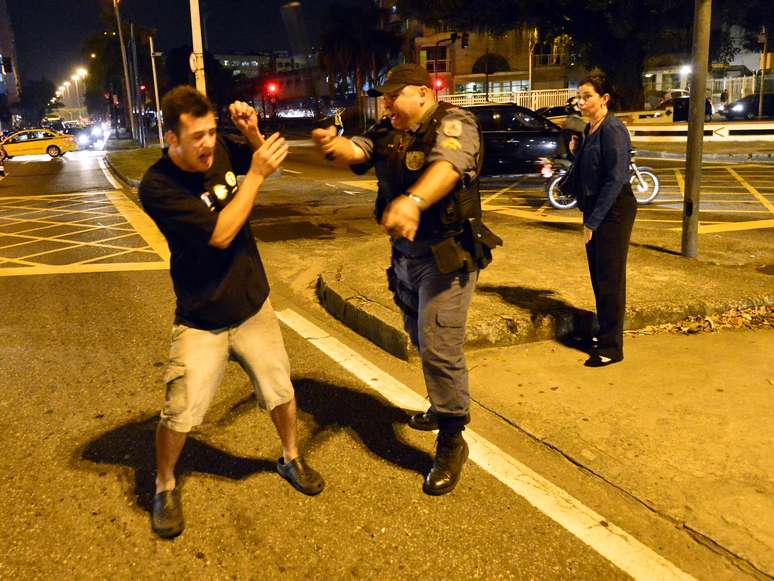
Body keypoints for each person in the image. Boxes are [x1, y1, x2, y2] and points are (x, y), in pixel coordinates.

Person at [139, 86, 324, 539]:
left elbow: (263, 161)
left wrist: (254, 134)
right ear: (171, 139)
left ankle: (289, 456)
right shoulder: (158, 187)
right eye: (195, 137)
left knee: (279, 389)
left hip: (252, 302)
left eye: (209, 132)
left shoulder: (219, 149)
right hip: (201, 315)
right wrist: (256, 176)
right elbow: (221, 233)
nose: (207, 144)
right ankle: (164, 483)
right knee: (181, 410)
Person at [311, 64, 501, 495]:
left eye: (394, 97)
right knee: (418, 334)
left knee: (438, 342)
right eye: (384, 98)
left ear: (422, 92)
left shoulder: (454, 123)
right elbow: (358, 152)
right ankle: (440, 403)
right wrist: (331, 145)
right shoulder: (388, 128)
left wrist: (414, 201)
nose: (387, 104)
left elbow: (449, 166)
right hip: (406, 257)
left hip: (448, 256)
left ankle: (452, 438)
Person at [571, 74, 637, 367]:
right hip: (596, 208)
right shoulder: (590, 128)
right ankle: (604, 331)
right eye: (579, 96)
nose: (580, 101)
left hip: (613, 211)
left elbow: (615, 179)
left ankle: (612, 347)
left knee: (610, 278)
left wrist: (593, 222)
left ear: (604, 99)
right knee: (599, 277)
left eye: (587, 96)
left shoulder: (613, 129)